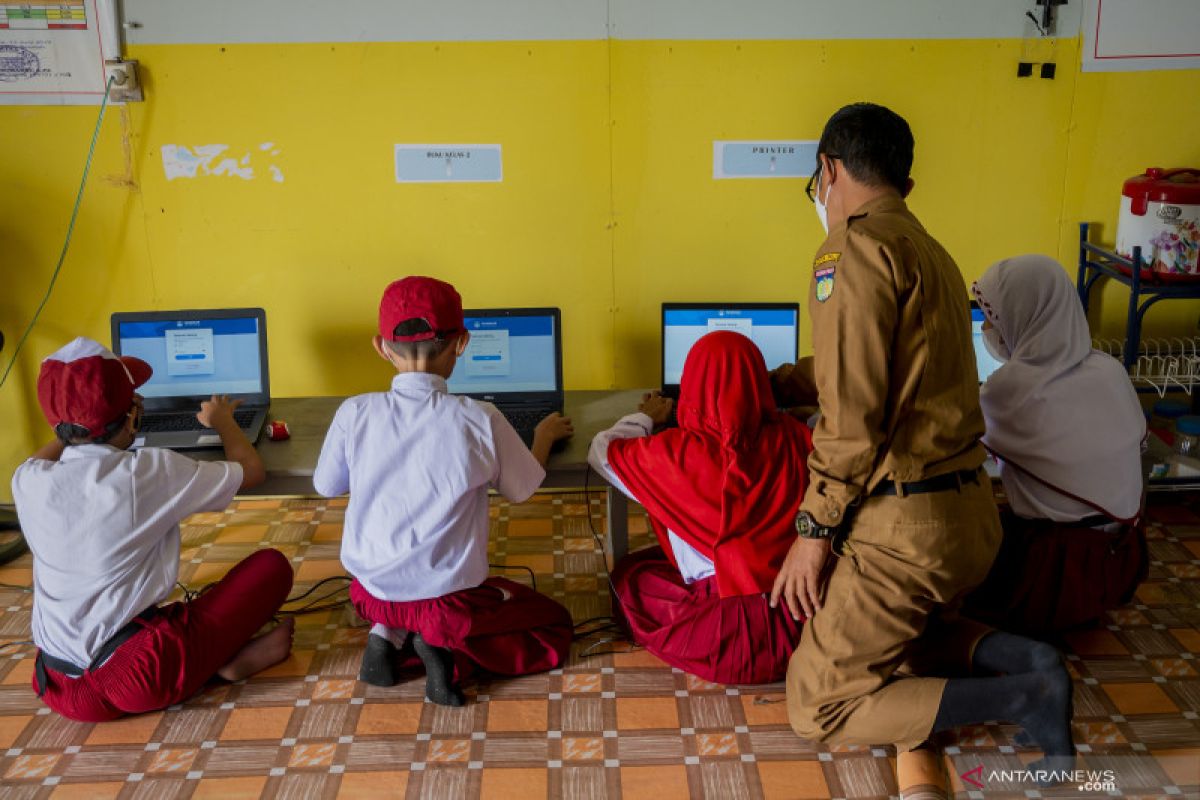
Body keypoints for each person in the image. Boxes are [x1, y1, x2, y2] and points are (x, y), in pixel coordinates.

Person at [770, 103, 1075, 796]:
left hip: (905, 531)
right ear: (904, 183)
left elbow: (850, 422)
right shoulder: (929, 250)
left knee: (816, 702)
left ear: (829, 170)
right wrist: (777, 379)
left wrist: (812, 531)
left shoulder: (847, 250)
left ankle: (1024, 698)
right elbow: (884, 358)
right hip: (968, 518)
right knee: (897, 648)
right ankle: (1022, 656)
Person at [313, 276, 575, 706]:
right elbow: (522, 489)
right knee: (552, 622)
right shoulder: (479, 417)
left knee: (402, 590)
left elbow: (326, 485)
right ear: (462, 343)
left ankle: (386, 634)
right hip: (447, 601)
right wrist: (543, 437)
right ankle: (442, 652)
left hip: (370, 593)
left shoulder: (354, 412)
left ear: (381, 347)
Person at [11, 337, 295, 723]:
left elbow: (41, 458)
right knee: (271, 566)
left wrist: (72, 426)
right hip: (138, 674)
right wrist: (223, 421)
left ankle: (212, 666)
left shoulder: (27, 480)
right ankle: (219, 667)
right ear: (131, 416)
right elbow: (253, 470)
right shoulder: (147, 471)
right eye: (135, 399)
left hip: (58, 685)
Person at [588, 331, 811, 685]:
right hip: (800, 621)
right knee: (645, 563)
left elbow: (602, 451)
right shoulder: (797, 437)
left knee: (630, 578)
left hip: (729, 638)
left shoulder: (674, 453)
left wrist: (646, 417)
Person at [965, 254, 1148, 633]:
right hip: (1121, 561)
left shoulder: (1010, 390)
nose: (989, 329)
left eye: (994, 319)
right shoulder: (1108, 370)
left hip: (1052, 576)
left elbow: (948, 441)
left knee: (951, 534)